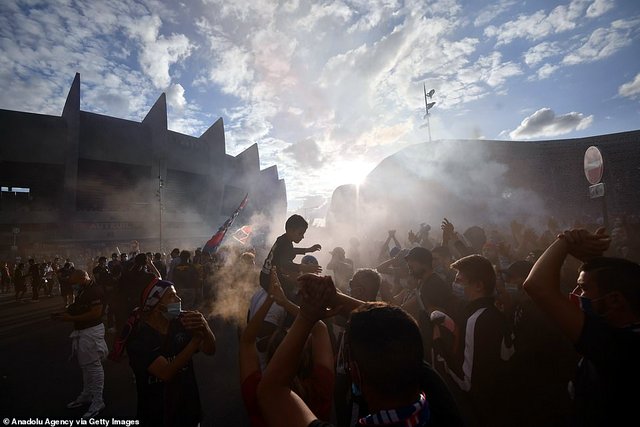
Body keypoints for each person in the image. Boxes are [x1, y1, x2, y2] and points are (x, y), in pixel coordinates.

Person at [257, 275, 463, 427]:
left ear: (354, 373)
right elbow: (399, 333)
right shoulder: (442, 406)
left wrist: (307, 316)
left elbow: (272, 392)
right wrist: (335, 297)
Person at [523, 228, 640, 426]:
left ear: (614, 300)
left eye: (584, 288)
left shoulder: (621, 347)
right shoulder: (617, 332)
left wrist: (565, 241)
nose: (576, 293)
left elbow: (536, 286)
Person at [240, 269, 334, 426]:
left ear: (271, 356)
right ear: (307, 356)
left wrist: (271, 298)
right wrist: (285, 302)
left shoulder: (258, 394)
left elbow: (246, 341)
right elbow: (319, 328)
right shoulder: (320, 388)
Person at [125, 279, 216, 426]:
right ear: (156, 306)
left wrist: (205, 328)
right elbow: (165, 373)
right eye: (171, 296)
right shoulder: (140, 339)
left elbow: (210, 350)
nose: (179, 299)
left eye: (176, 294)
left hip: (189, 411)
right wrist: (195, 341)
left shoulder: (180, 324)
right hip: (157, 415)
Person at [442, 254, 515, 427]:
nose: (455, 285)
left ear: (478, 285)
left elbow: (469, 384)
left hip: (485, 412)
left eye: (460, 281)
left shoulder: (478, 319)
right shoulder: (493, 312)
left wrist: (441, 355)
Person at [51, 270, 109, 419]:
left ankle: (98, 401)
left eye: (75, 282)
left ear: (83, 278)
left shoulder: (95, 290)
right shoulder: (84, 289)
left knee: (94, 366)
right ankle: (87, 394)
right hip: (84, 330)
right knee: (85, 365)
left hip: (91, 331)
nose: (73, 285)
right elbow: (79, 307)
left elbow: (96, 313)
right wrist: (65, 314)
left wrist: (70, 318)